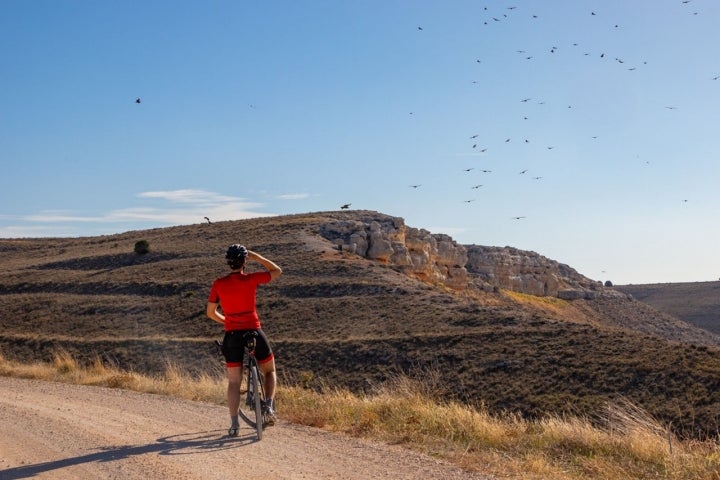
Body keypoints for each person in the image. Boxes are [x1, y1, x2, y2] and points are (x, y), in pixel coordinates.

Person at [206, 244, 282, 436]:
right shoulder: (251, 279)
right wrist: (258, 257)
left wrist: (228, 320)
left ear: (228, 263)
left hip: (232, 334)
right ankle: (269, 407)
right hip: (253, 330)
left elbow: (210, 312)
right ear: (244, 261)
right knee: (270, 370)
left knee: (233, 382)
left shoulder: (219, 283)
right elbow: (277, 271)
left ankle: (234, 425)